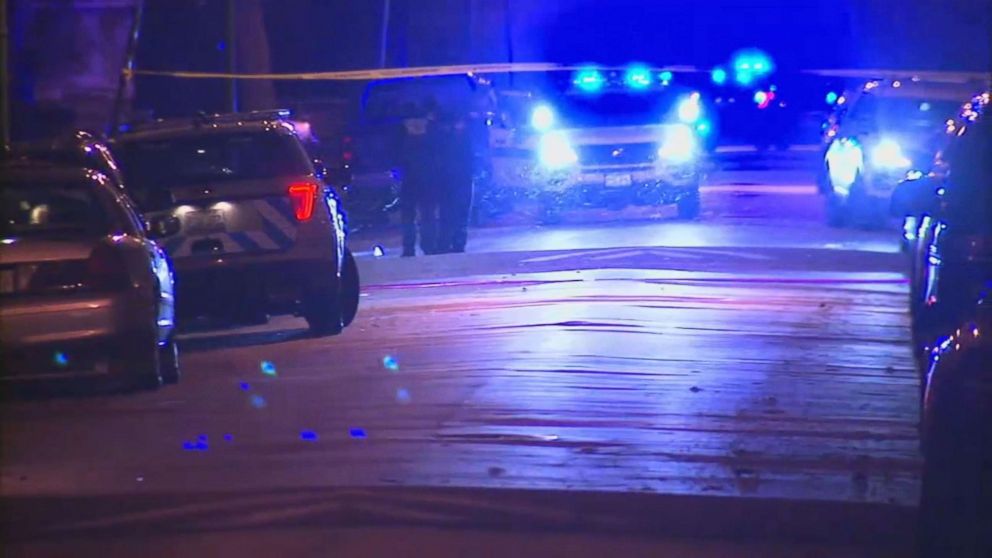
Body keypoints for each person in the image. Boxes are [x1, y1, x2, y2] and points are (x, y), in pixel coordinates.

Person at [397, 98, 441, 257]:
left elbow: (397, 155)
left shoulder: (403, 133)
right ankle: (428, 246)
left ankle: (409, 247)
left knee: (409, 215)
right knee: (427, 214)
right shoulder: (431, 133)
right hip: (426, 178)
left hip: (410, 178)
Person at [436, 111, 476, 253]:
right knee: (449, 213)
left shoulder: (464, 138)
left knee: (459, 213)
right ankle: (449, 242)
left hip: (460, 179)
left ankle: (456, 243)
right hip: (453, 179)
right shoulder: (453, 138)